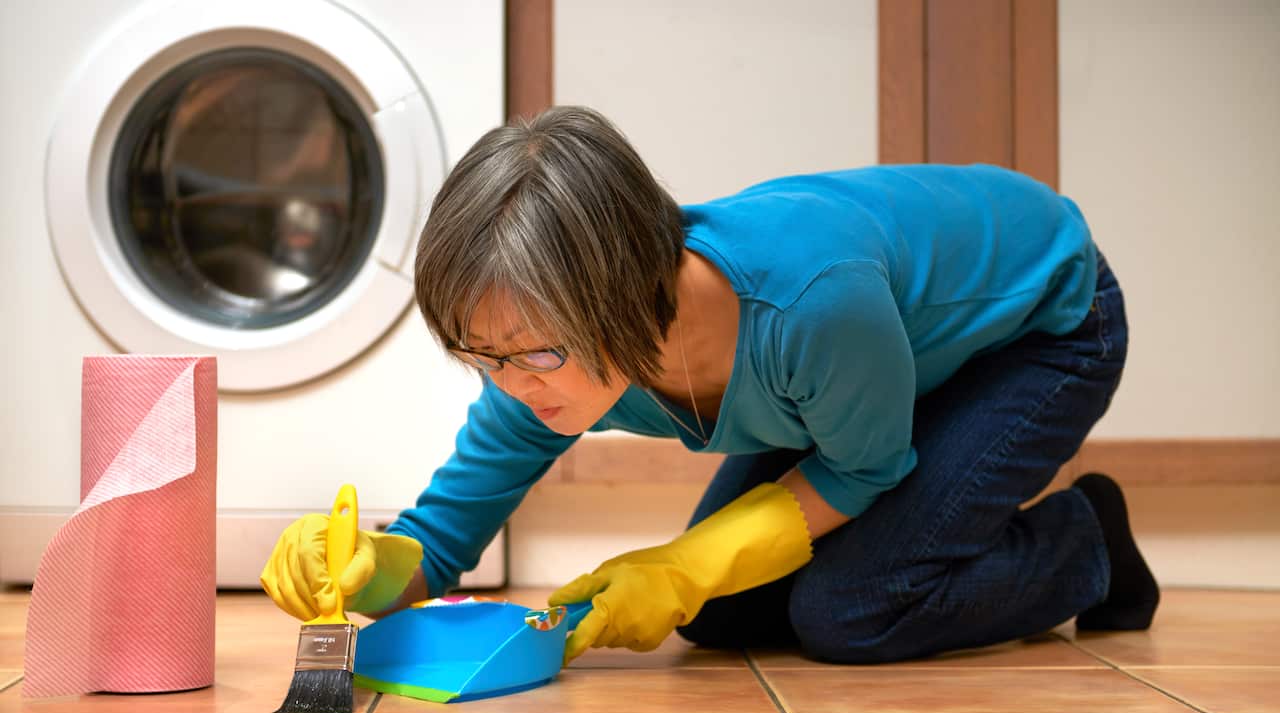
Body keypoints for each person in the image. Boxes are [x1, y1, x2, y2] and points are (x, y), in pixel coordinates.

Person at [260, 105, 1160, 665]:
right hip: (871, 372)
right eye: (482, 356)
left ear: (618, 290)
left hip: (1045, 323)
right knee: (721, 622)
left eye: (531, 355)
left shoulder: (810, 305)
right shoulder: (541, 355)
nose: (510, 384)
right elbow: (441, 541)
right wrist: (368, 571)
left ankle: (1088, 542)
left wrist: (683, 565)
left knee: (850, 613)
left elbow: (864, 469)